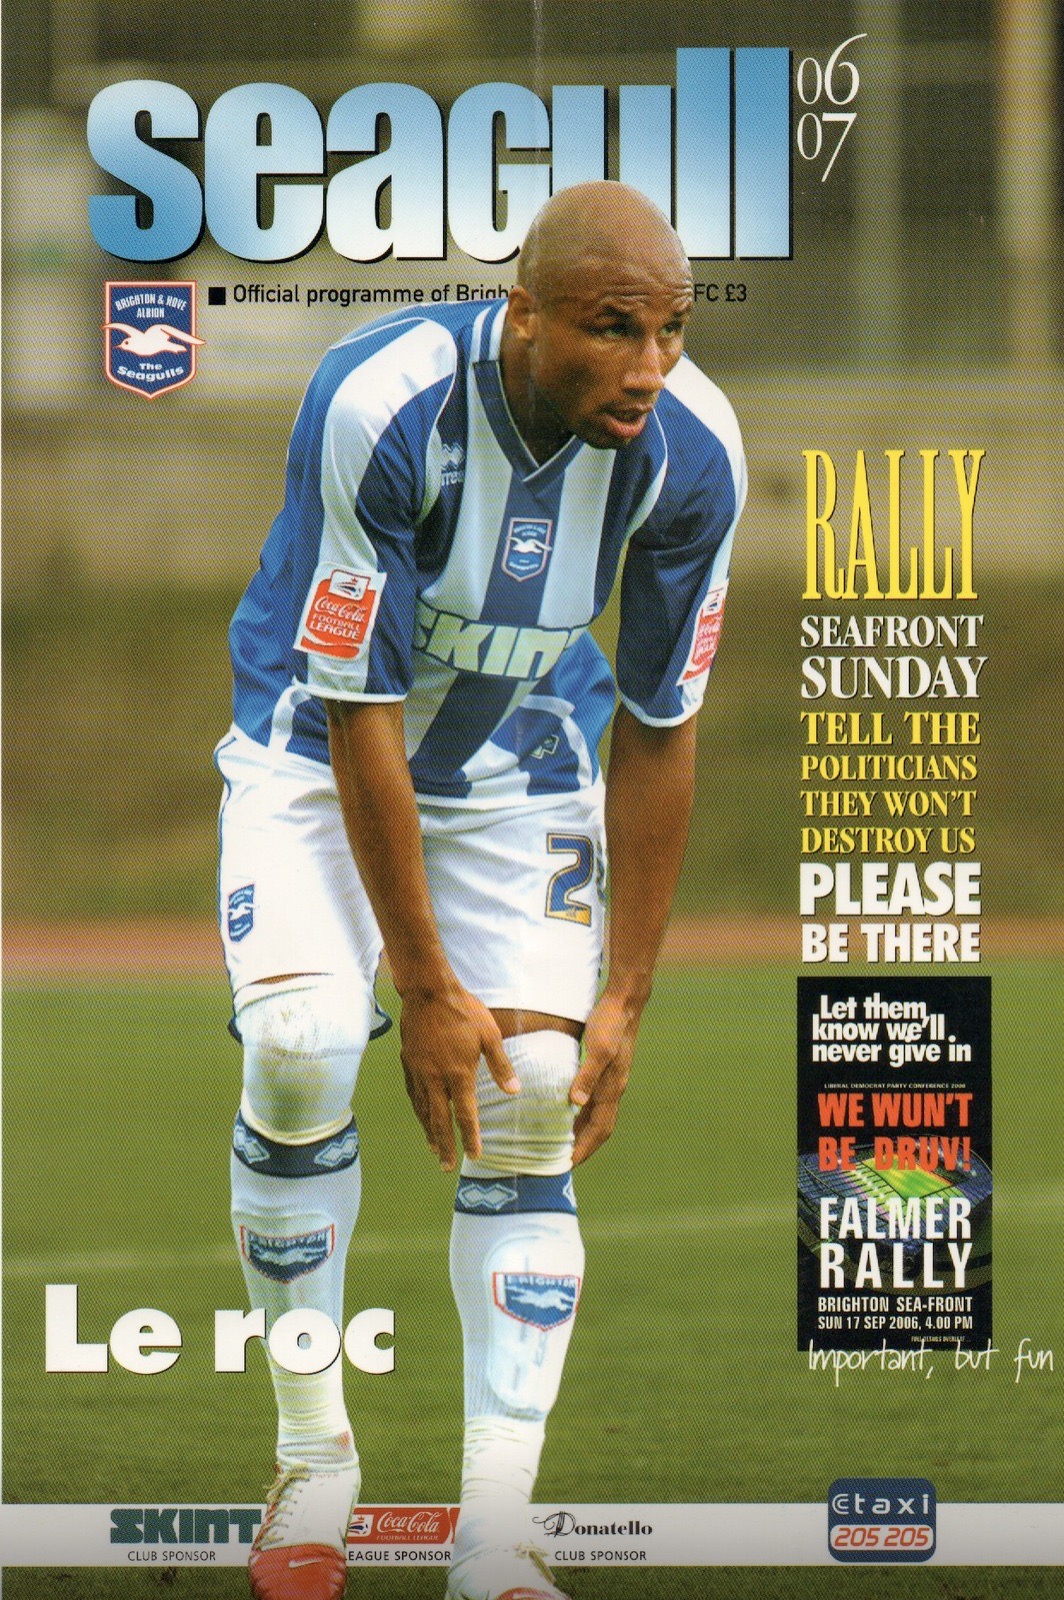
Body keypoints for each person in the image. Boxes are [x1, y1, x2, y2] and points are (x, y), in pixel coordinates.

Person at [216, 179, 746, 1600]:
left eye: (672, 331)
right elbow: (359, 707)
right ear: (523, 316)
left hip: (523, 765)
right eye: (613, 327)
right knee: (301, 1044)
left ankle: (493, 1538)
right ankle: (312, 1465)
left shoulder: (695, 454)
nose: (648, 365)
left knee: (535, 1089)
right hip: (315, 754)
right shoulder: (381, 402)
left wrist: (626, 996)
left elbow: (662, 724)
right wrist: (427, 986)